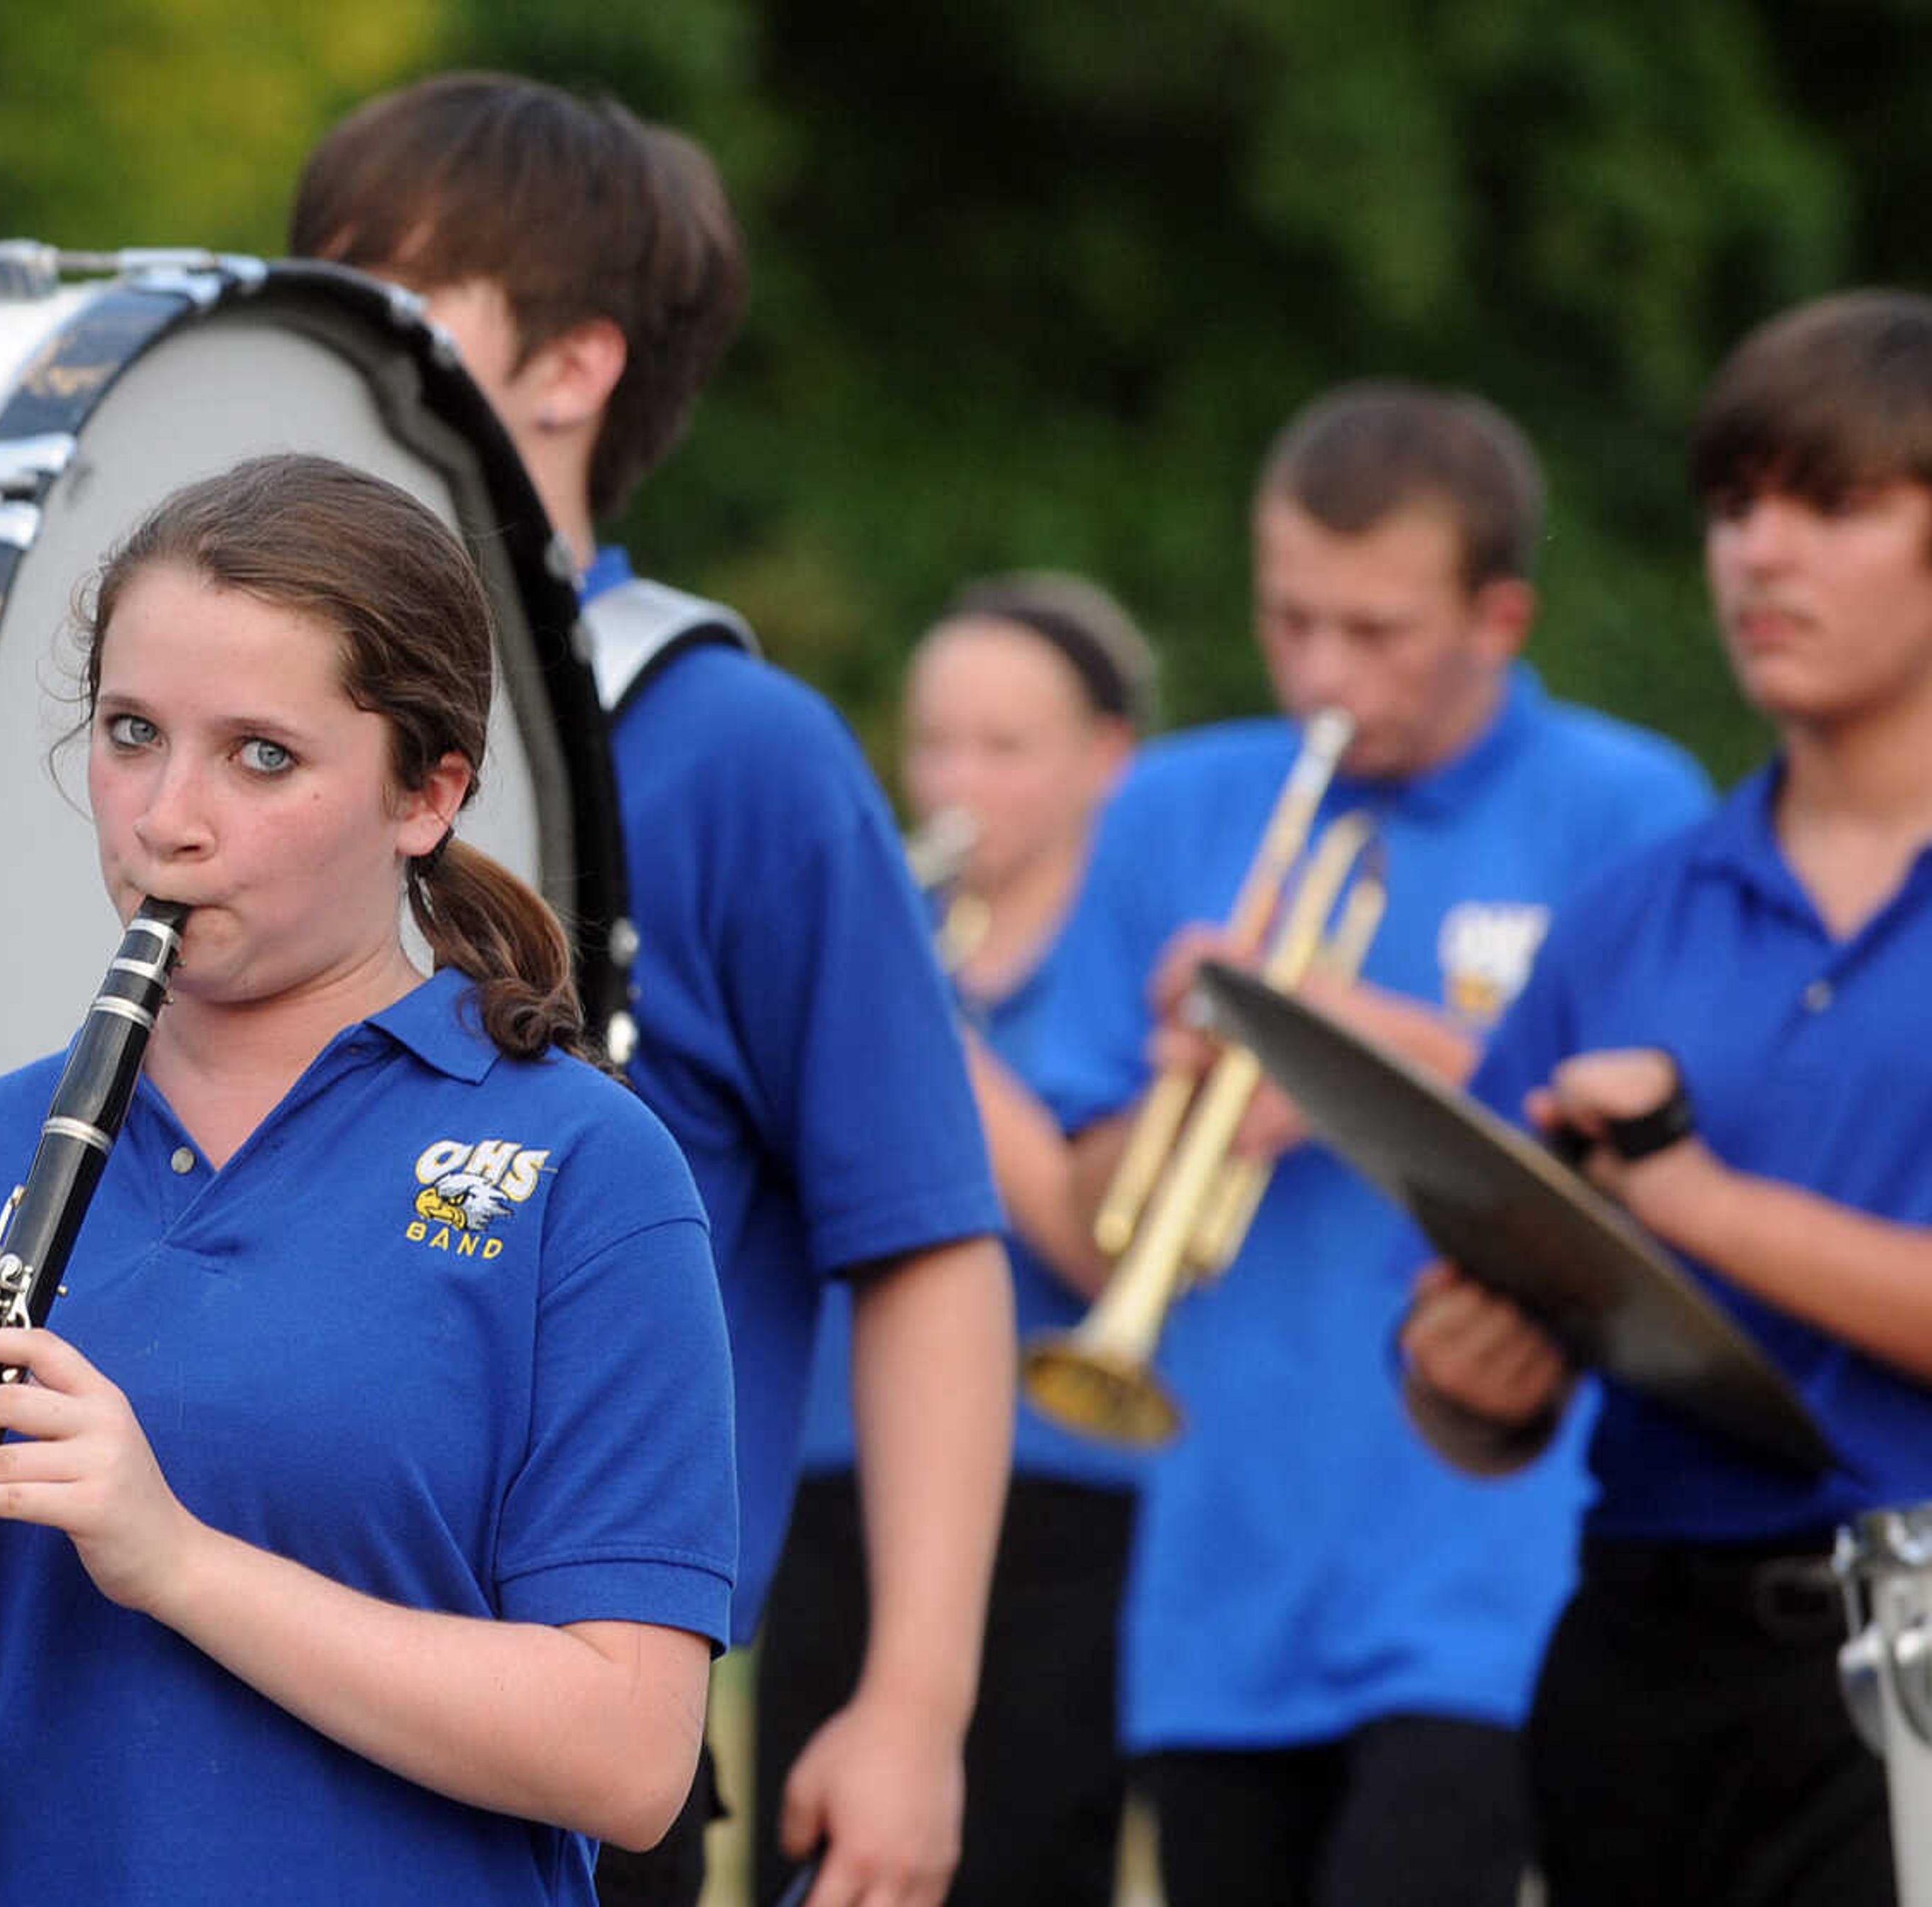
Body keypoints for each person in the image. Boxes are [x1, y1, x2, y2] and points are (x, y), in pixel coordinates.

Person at [0, 453, 738, 1906]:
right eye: (133, 734)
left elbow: (632, 1756)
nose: (170, 817)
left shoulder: (582, 1173)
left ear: (428, 794)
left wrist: (176, 1561)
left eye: (261, 755)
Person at [293, 74, 1016, 1907]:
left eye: (393, 294)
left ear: (571, 366)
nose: (318, 339)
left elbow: (924, 1243)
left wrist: (912, 1705)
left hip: (555, 1742)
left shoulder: (734, 751)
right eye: (308, 282)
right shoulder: (221, 739)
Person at [1022, 382, 1715, 1907]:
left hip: (1498, 1577)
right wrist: (1181, 1092)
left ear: (1500, 617)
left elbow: (1669, 1183)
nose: (1325, 671)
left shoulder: (1632, 806)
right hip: (1220, 1579)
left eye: (1378, 631)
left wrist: (1345, 1044)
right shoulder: (1174, 809)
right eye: (1292, 620)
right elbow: (1090, 1224)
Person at [1400, 288, 1932, 1905]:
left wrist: (1688, 1199)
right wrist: (1466, 1372)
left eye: (1828, 504)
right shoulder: (1629, 908)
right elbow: (1478, 1399)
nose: (1755, 554)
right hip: (1638, 1649)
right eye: (1729, 504)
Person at [757, 573, 1151, 1907]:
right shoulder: (884, 935)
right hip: (829, 1460)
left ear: (1109, 758)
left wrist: (941, 1061)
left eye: (1004, 747)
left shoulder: (1138, 967)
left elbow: (1113, 1252)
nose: (955, 781)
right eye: (934, 741)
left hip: (1061, 1490)